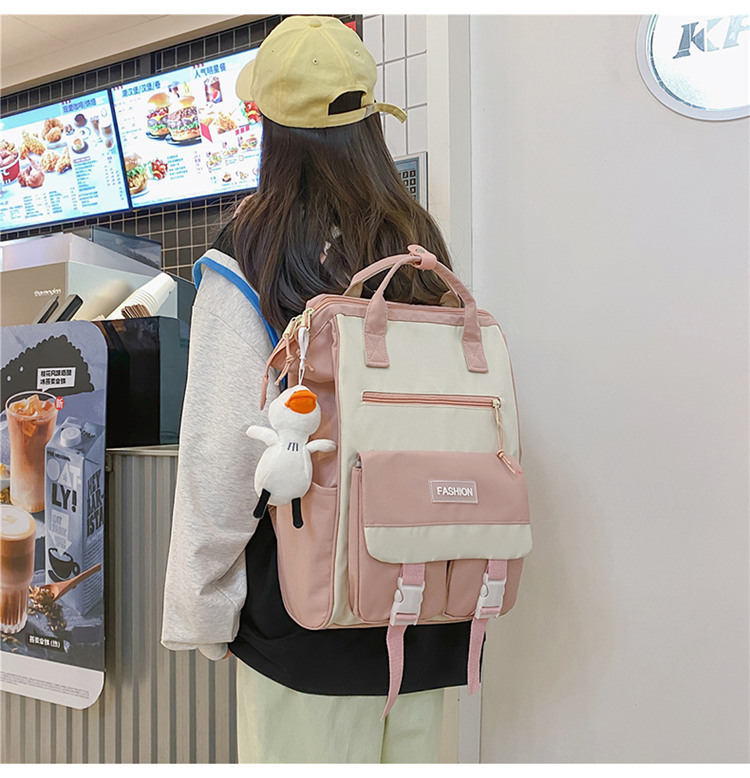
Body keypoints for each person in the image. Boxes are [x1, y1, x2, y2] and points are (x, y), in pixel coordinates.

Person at [161, 15, 474, 764]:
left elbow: (220, 456)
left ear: (268, 126)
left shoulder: (252, 250)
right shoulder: (417, 242)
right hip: (430, 599)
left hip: (307, 614)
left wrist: (205, 611)